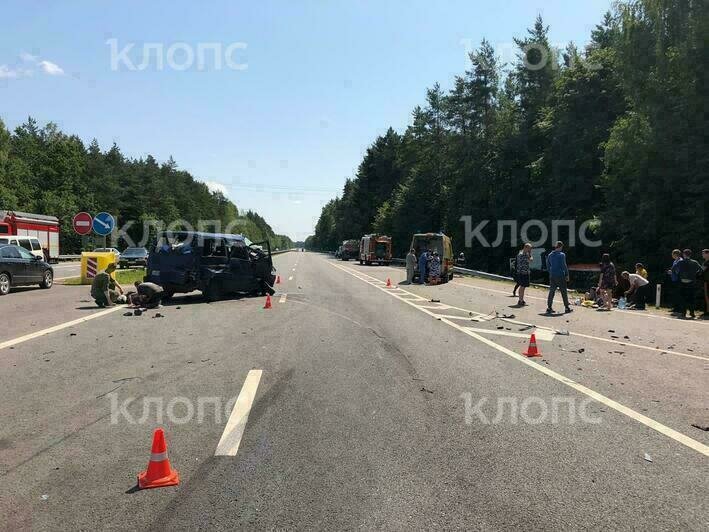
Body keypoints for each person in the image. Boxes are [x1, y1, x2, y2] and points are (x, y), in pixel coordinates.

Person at [546, 241, 572, 314]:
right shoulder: (562, 255)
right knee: (563, 291)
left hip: (552, 275)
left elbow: (548, 265)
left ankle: (549, 307)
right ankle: (566, 307)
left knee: (552, 291)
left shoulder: (550, 255)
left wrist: (550, 272)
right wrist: (567, 274)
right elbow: (564, 265)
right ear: (560, 247)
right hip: (560, 275)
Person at [677, 249, 702, 319]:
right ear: (690, 255)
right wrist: (696, 275)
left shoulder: (680, 262)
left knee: (683, 298)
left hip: (682, 282)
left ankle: (683, 313)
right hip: (691, 282)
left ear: (684, 254)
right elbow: (701, 270)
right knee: (691, 298)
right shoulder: (694, 262)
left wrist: (678, 274)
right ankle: (692, 313)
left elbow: (673, 269)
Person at [667, 249, 683, 313]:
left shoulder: (680, 260)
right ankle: (675, 308)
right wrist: (671, 272)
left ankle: (678, 309)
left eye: (672, 254)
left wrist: (672, 272)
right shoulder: (675, 261)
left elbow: (678, 271)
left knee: (678, 294)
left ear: (675, 254)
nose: (672, 255)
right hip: (674, 279)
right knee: (675, 294)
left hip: (678, 279)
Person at [701, 249, 709, 318]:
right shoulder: (705, 262)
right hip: (706, 280)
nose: (702, 254)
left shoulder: (707, 262)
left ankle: (707, 312)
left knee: (707, 296)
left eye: (703, 253)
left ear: (708, 254)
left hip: (707, 281)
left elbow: (701, 270)